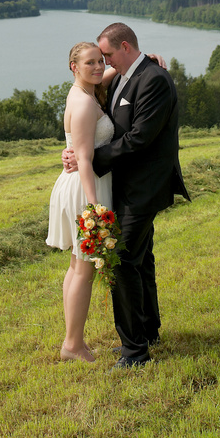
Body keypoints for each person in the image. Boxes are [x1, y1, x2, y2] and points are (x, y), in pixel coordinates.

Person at [64, 22, 189, 369]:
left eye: (106, 56)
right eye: (97, 59)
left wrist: (88, 159)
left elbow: (138, 138)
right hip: (126, 186)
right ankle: (148, 332)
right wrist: (76, 151)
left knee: (121, 261)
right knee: (140, 260)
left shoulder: (153, 81)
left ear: (124, 47)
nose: (103, 64)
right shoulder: (122, 75)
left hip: (144, 188)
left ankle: (135, 352)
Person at [46, 41, 116, 363]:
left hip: (76, 183)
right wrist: (95, 209)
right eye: (90, 63)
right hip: (86, 187)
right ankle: (73, 345)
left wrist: (151, 59)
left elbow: (112, 72)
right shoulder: (86, 104)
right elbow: (85, 161)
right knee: (84, 269)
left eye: (101, 61)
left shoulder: (81, 92)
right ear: (74, 67)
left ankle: (73, 342)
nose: (99, 67)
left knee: (77, 266)